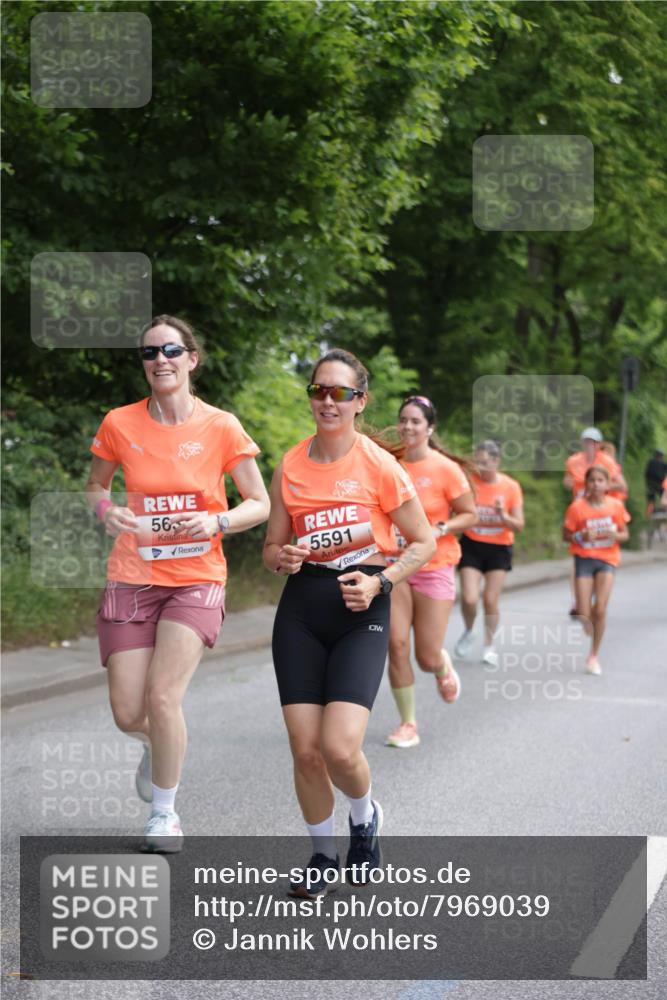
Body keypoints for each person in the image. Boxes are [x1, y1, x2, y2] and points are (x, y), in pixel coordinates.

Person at [86, 315, 270, 852]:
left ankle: (164, 816)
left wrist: (217, 522)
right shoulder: (119, 422)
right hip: (132, 575)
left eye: (171, 350)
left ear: (192, 358)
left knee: (163, 697)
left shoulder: (221, 426)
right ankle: (155, 746)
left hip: (196, 577)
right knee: (129, 712)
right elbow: (95, 485)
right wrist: (107, 511)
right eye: (149, 353)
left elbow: (259, 503)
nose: (159, 360)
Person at [263, 349, 435, 898]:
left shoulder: (380, 465)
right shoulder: (290, 465)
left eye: (340, 393)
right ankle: (321, 854)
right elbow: (270, 547)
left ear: (360, 402)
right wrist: (281, 557)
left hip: (362, 605)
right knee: (305, 748)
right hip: (303, 608)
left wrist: (382, 582)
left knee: (339, 748)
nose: (327, 401)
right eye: (319, 391)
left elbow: (424, 542)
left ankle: (365, 817)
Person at [384, 396, 477, 750]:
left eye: (415, 422)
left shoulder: (446, 469)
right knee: (395, 644)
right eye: (403, 420)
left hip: (435, 564)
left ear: (429, 428)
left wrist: (439, 528)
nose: (407, 427)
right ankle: (408, 723)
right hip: (396, 564)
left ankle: (440, 665)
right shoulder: (390, 464)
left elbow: (470, 514)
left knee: (425, 654)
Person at [454, 440, 524, 667]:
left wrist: (503, 516)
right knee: (469, 598)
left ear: (496, 461)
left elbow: (519, 525)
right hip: (472, 544)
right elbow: (457, 511)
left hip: (499, 548)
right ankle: (468, 629)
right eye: (477, 462)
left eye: (484, 462)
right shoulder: (469, 484)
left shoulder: (510, 487)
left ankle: (489, 645)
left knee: (490, 599)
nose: (480, 467)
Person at [563, 465, 630, 675]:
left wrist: (615, 536)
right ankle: (589, 622)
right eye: (592, 481)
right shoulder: (577, 507)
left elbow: (624, 534)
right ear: (587, 484)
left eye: (600, 480)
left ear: (607, 484)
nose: (596, 484)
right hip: (584, 559)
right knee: (584, 613)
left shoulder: (616, 506)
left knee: (600, 608)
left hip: (607, 559)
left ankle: (593, 656)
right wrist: (582, 536)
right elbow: (566, 535)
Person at [563, 427, 626, 615]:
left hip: (603, 513)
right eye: (586, 442)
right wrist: (577, 484)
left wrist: (599, 485)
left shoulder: (606, 461)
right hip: (581, 512)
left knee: (600, 554)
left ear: (599, 445)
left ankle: (598, 597)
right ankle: (578, 601)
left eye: (594, 442)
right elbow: (566, 482)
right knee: (579, 555)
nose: (590, 445)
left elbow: (622, 485)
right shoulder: (574, 461)